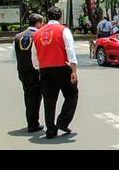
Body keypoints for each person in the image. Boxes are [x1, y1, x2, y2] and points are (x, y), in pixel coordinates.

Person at [32, 7, 79, 139]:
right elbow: (70, 50)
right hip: (62, 68)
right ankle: (63, 121)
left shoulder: (37, 33)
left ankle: (51, 130)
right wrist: (74, 70)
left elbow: (34, 57)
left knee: (49, 100)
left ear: (47, 17)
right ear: (60, 17)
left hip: (45, 70)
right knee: (72, 95)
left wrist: (39, 68)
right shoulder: (64, 30)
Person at [13, 14, 45, 133]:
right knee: (35, 97)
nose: (43, 25)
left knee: (27, 95)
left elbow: (13, 55)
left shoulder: (18, 36)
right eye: (42, 23)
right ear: (38, 24)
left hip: (22, 70)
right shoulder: (38, 35)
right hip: (34, 71)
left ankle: (31, 121)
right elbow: (39, 55)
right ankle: (33, 124)